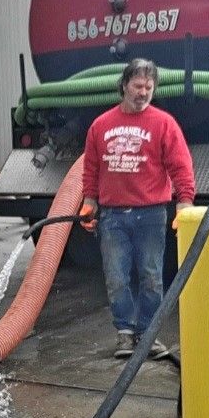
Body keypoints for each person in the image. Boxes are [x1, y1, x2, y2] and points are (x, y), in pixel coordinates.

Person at [80, 58, 195, 360]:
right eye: (137, 85)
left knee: (151, 276)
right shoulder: (101, 125)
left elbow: (180, 165)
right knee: (116, 277)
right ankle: (125, 334)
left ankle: (149, 334)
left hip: (152, 213)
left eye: (149, 86)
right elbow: (91, 168)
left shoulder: (164, 123)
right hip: (113, 216)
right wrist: (89, 201)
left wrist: (184, 201)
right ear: (124, 86)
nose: (143, 92)